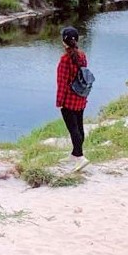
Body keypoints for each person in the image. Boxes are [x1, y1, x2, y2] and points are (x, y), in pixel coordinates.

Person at [56, 25, 89, 172]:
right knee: (79, 126)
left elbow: (62, 83)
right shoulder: (82, 55)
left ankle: (80, 157)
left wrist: (59, 102)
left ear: (64, 41)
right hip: (80, 97)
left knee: (73, 129)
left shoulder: (65, 59)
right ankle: (75, 153)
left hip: (69, 99)